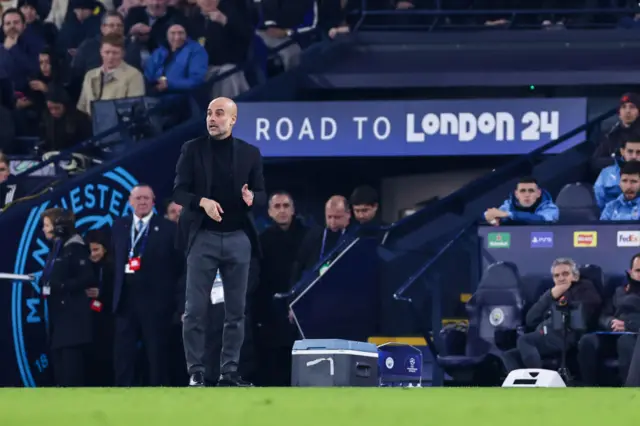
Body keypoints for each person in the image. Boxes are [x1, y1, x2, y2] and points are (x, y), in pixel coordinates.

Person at [173, 96, 266, 387]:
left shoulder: (250, 153)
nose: (212, 118)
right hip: (203, 238)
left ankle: (229, 372)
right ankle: (196, 372)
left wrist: (253, 198)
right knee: (195, 311)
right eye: (210, 113)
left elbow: (262, 194)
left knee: (236, 311)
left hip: (239, 239)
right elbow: (178, 192)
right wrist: (202, 202)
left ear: (233, 120)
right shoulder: (192, 149)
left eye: (220, 113)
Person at [111, 183, 183, 386]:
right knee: (123, 354)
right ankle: (122, 394)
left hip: (157, 304)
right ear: (130, 202)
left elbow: (180, 266)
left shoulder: (169, 228)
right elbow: (114, 262)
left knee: (156, 355)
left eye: (146, 198)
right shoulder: (119, 226)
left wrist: (178, 303)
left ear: (153, 202)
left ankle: (159, 394)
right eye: (138, 198)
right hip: (125, 301)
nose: (142, 202)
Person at [503, 258, 601, 373]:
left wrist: (565, 296)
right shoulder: (552, 293)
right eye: (556, 275)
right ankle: (523, 387)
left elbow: (585, 310)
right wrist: (550, 295)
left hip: (566, 335)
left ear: (575, 276)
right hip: (546, 335)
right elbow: (530, 319)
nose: (561, 278)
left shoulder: (585, 289)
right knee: (509, 355)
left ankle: (537, 380)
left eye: (565, 274)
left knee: (525, 340)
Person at [40, 208, 95, 387]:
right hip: (58, 318)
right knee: (60, 371)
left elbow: (87, 277)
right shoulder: (56, 249)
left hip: (73, 319)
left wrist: (62, 286)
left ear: (59, 226)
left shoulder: (76, 247)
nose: (44, 229)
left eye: (47, 225)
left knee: (72, 373)